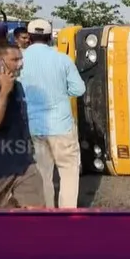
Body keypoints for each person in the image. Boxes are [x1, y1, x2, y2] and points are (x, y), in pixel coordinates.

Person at [19, 18, 86, 208]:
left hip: (33, 127)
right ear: (50, 37)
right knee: (68, 173)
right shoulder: (62, 59)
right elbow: (79, 89)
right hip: (61, 125)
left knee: (42, 175)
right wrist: (61, 93)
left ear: (29, 38)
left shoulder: (19, 60)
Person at [0, 42, 45, 209]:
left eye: (21, 59)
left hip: (23, 165)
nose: (21, 64)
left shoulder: (18, 86)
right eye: (15, 59)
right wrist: (4, 91)